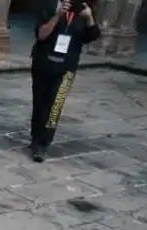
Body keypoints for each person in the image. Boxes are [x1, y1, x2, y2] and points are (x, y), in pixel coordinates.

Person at [29, 0, 101, 162]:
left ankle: (43, 144)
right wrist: (58, 15)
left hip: (67, 68)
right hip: (43, 63)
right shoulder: (49, 5)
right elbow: (41, 35)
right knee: (40, 103)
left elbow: (93, 35)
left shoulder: (84, 9)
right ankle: (35, 138)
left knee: (55, 105)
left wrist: (89, 18)